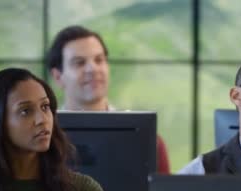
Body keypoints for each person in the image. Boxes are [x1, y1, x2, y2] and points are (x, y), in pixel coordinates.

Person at [46, 25, 170, 173]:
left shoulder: (149, 142)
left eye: (99, 60)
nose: (93, 69)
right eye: (79, 62)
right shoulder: (44, 140)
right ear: (58, 77)